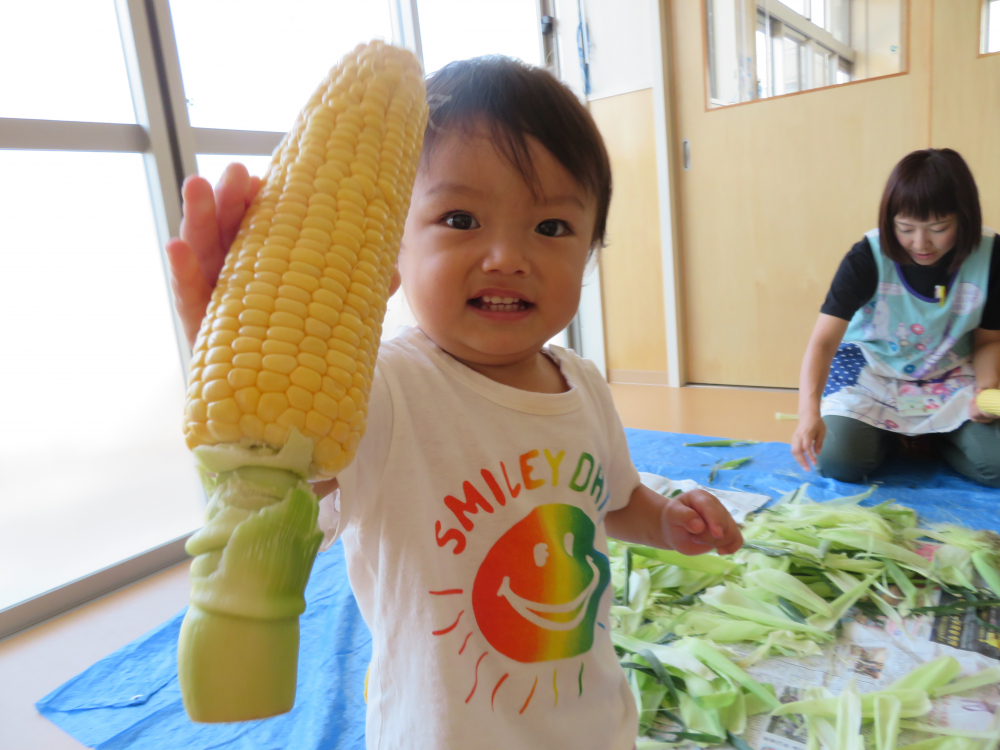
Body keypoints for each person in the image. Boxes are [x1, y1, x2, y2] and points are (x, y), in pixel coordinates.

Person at [166, 56, 743, 750]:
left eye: (552, 228)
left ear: (592, 251)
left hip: (591, 724)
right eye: (461, 218)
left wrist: (668, 518)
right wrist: (251, 387)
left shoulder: (584, 385)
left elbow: (614, 504)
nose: (506, 256)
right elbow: (294, 487)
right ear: (392, 250)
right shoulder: (381, 392)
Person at [791, 148, 1000, 486]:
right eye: (905, 228)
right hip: (873, 374)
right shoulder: (866, 257)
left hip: (949, 377)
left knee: (998, 463)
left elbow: (989, 340)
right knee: (839, 460)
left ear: (965, 217)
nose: (920, 243)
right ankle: (891, 437)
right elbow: (823, 341)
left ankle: (931, 438)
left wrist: (986, 390)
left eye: (939, 227)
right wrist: (808, 412)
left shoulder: (990, 255)